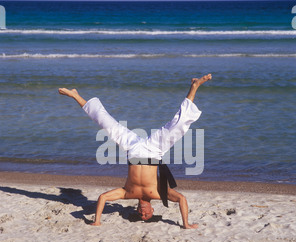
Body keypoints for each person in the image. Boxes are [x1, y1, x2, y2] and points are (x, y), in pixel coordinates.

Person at [59, 74, 212, 229]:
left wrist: (97, 220)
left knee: (106, 123)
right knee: (179, 124)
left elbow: (103, 197)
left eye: (140, 215)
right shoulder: (159, 194)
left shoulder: (128, 193)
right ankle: (194, 87)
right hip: (154, 151)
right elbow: (182, 199)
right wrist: (185, 223)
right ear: (153, 210)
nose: (143, 214)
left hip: (132, 150)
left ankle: (75, 95)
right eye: (147, 215)